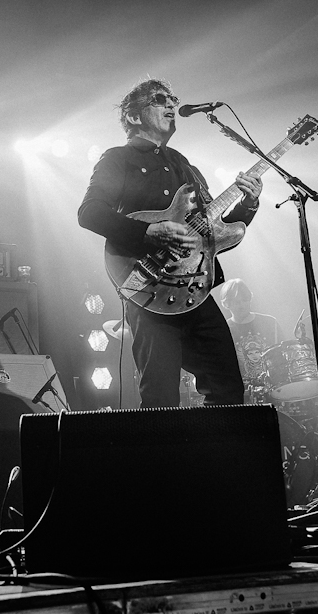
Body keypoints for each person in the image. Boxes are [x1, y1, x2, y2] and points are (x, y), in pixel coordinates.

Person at [78, 79, 262, 408]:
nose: (171, 105)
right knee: (161, 395)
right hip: (150, 289)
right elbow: (89, 213)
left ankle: (210, 457)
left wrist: (247, 204)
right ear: (134, 117)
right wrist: (146, 233)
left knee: (228, 389)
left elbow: (211, 234)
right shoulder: (117, 159)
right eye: (160, 99)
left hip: (195, 291)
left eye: (173, 99)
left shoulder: (184, 165)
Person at [218, 278, 282, 395]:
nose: (241, 305)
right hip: (239, 393)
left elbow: (283, 355)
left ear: (250, 299)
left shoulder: (270, 323)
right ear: (227, 304)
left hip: (273, 389)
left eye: (244, 300)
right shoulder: (223, 330)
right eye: (236, 301)